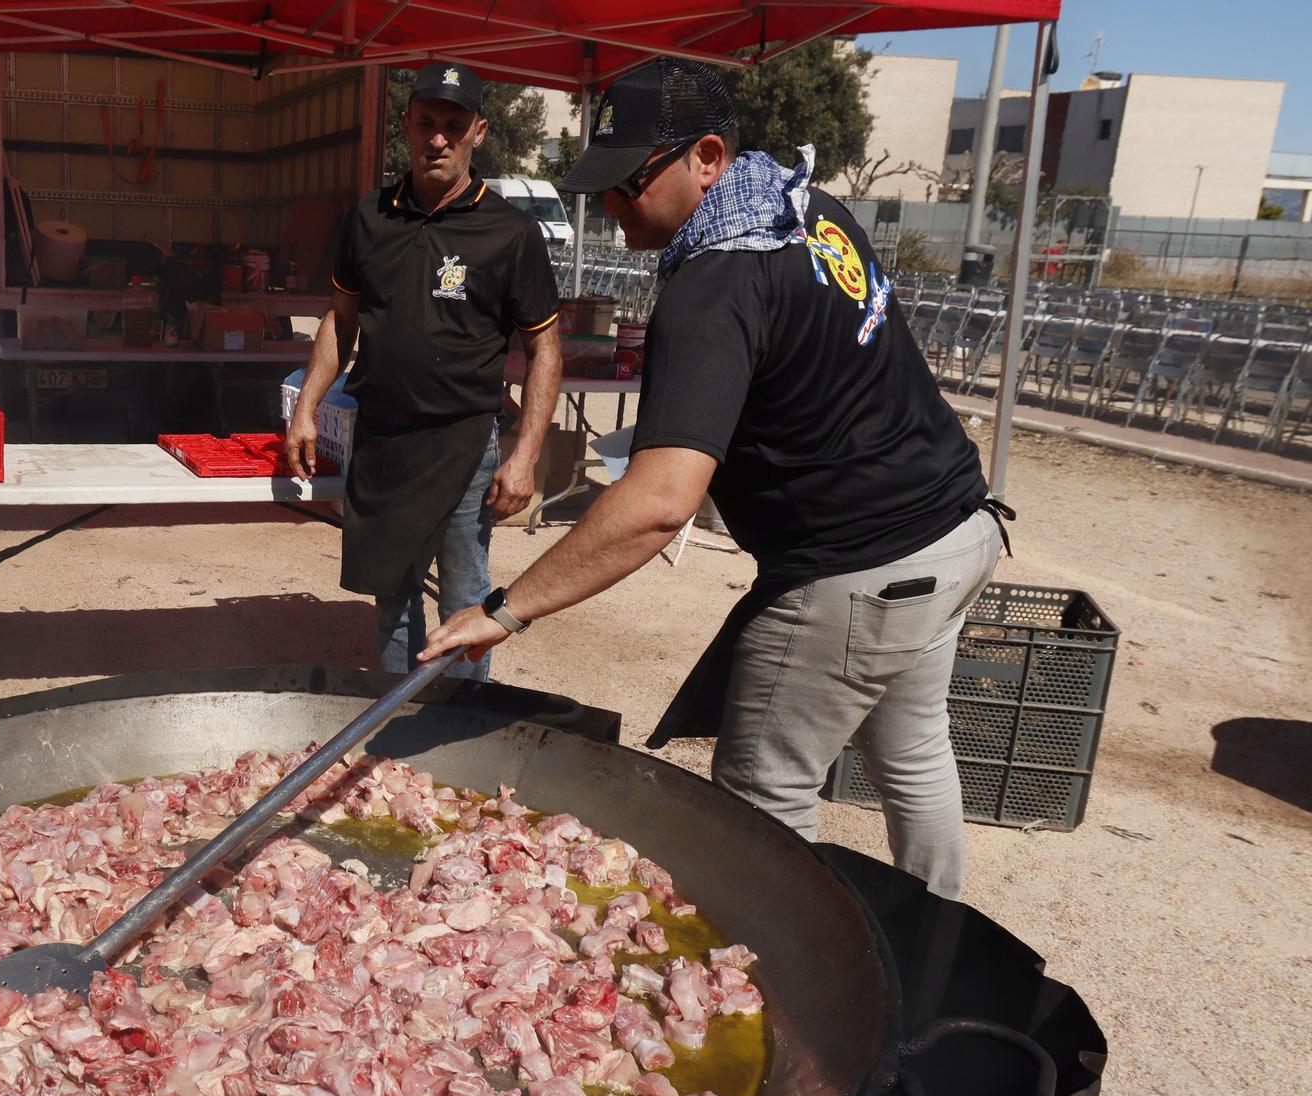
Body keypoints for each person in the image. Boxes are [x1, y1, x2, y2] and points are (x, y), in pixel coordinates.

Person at [421, 59, 1009, 900]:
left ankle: (787, 997)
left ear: (706, 156)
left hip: (855, 566)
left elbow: (660, 503)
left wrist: (506, 610)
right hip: (956, 529)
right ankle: (941, 933)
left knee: (763, 799)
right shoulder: (807, 207)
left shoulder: (716, 282)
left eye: (630, 182)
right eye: (607, 185)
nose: (615, 206)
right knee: (913, 752)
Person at [285, 62, 561, 682]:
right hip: (380, 440)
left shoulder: (510, 232)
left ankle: (457, 732)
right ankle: (394, 729)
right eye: (427, 123)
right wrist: (307, 406)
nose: (438, 138)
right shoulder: (369, 217)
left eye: (453, 126)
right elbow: (340, 319)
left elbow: (545, 350)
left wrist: (524, 456)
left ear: (479, 132)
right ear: (406, 125)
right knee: (392, 600)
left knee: (464, 602)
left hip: (464, 442)